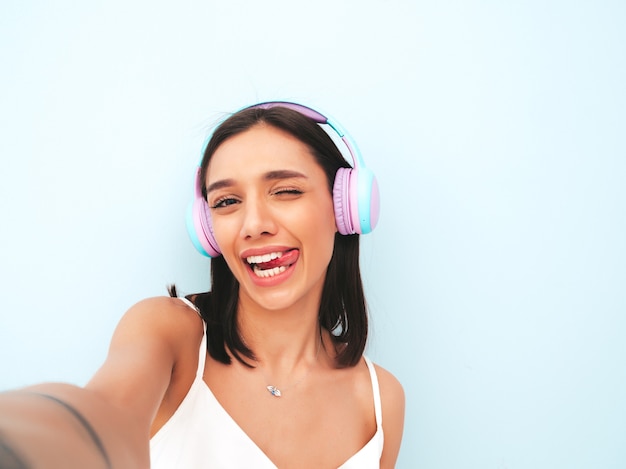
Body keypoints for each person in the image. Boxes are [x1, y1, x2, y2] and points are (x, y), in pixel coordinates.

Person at [0, 102, 405, 468]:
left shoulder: (380, 402)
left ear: (345, 207)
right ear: (208, 229)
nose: (254, 225)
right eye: (227, 202)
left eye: (285, 191)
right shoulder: (172, 333)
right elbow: (103, 413)